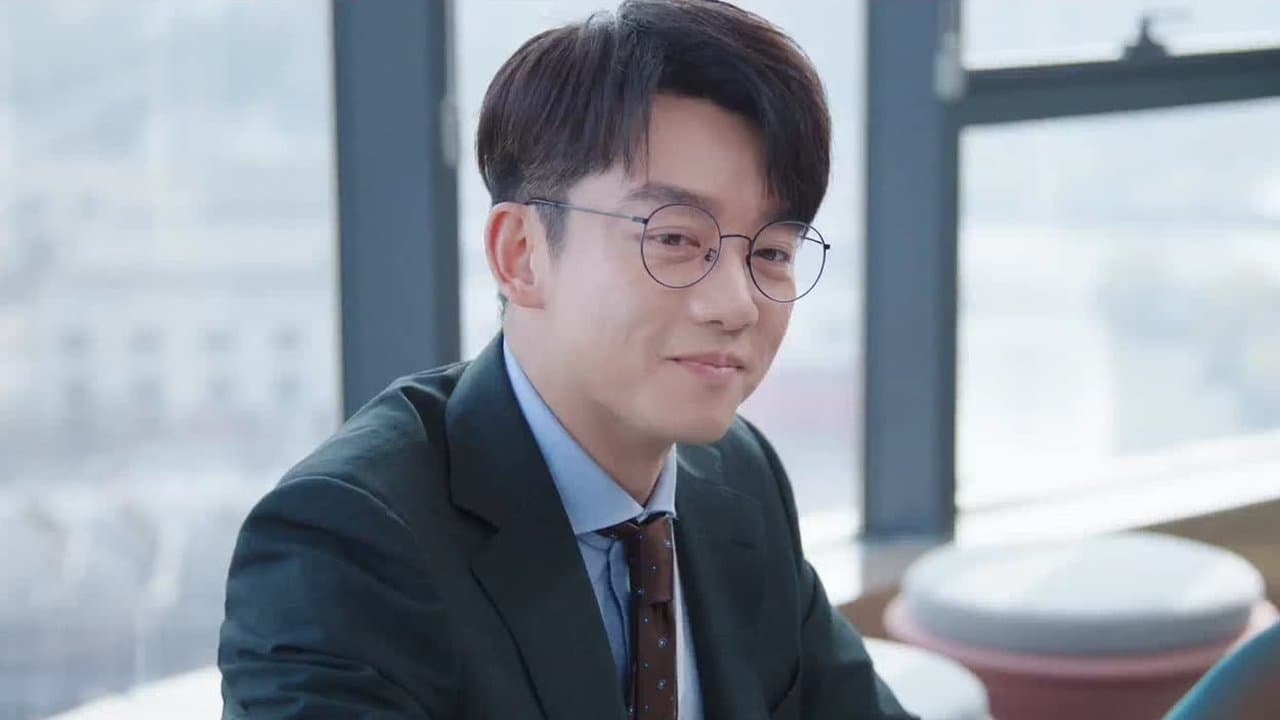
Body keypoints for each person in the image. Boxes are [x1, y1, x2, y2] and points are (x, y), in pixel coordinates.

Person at [218, 1, 915, 718]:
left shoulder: (739, 477)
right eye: (675, 239)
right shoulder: (347, 542)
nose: (736, 304)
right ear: (521, 255)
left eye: (770, 252)